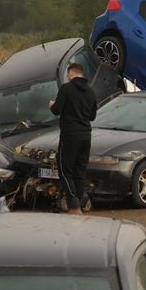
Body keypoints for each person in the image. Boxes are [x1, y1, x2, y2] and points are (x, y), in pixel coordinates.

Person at [49, 62, 97, 214]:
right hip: (86, 135)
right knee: (79, 170)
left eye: (68, 75)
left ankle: (74, 205)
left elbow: (56, 110)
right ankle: (81, 201)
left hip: (70, 135)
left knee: (65, 170)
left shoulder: (66, 89)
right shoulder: (91, 91)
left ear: (71, 74)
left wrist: (52, 105)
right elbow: (93, 116)